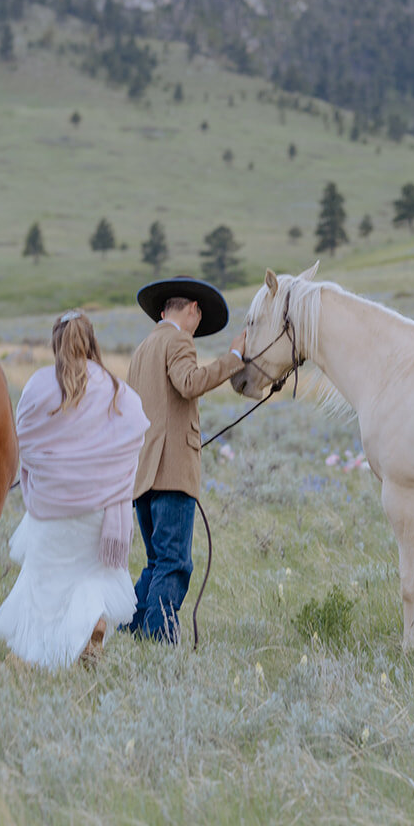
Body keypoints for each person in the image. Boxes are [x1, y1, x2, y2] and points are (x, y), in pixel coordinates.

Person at [0, 309, 150, 669]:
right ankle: (92, 625)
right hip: (101, 512)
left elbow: (23, 444)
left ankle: (46, 658)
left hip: (52, 510)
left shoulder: (39, 385)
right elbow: (135, 437)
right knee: (92, 576)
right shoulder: (115, 390)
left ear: (55, 343)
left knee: (48, 585)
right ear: (92, 341)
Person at [125, 275, 240, 642]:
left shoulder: (143, 348)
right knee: (173, 563)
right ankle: (159, 643)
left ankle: (130, 631)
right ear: (192, 310)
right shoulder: (178, 339)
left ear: (161, 311)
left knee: (157, 562)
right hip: (172, 473)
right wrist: (233, 359)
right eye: (198, 317)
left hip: (143, 475)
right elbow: (189, 383)